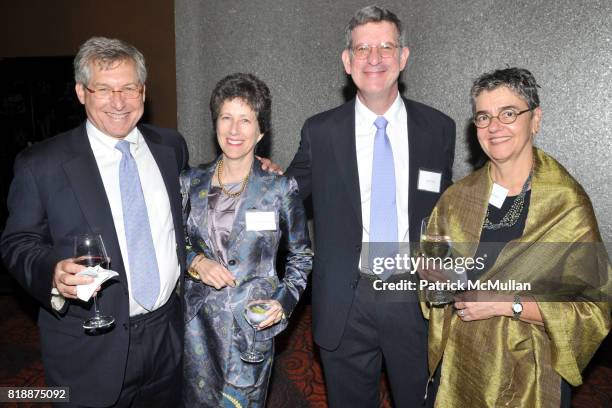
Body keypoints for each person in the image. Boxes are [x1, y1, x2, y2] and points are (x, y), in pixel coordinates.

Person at [1, 37, 188, 407]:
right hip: (89, 345)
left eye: (129, 88)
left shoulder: (170, 147)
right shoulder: (41, 164)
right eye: (104, 89)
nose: (118, 102)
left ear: (144, 91)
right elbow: (17, 241)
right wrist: (52, 272)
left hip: (168, 333)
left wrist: (251, 168)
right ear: (81, 92)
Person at [286, 5, 456, 407]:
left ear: (403, 57)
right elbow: (284, 194)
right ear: (347, 62)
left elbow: (451, 209)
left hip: (413, 296)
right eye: (362, 49)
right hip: (347, 299)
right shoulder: (320, 131)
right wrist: (246, 173)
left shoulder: (439, 129)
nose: (374, 58)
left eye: (385, 47)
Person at [421, 67, 611, 407]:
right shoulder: (456, 198)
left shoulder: (565, 204)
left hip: (528, 375)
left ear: (535, 119)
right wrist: (432, 278)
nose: (494, 127)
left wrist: (507, 303)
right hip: (461, 365)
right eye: (484, 116)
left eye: (508, 113)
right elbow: (435, 280)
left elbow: (593, 310)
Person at [181, 73, 313, 407]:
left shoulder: (280, 189)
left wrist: (283, 302)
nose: (234, 130)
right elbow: (172, 240)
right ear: (216, 124)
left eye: (245, 120)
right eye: (226, 118)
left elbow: (301, 257)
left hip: (251, 327)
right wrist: (195, 261)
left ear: (261, 131)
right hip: (197, 328)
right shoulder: (188, 182)